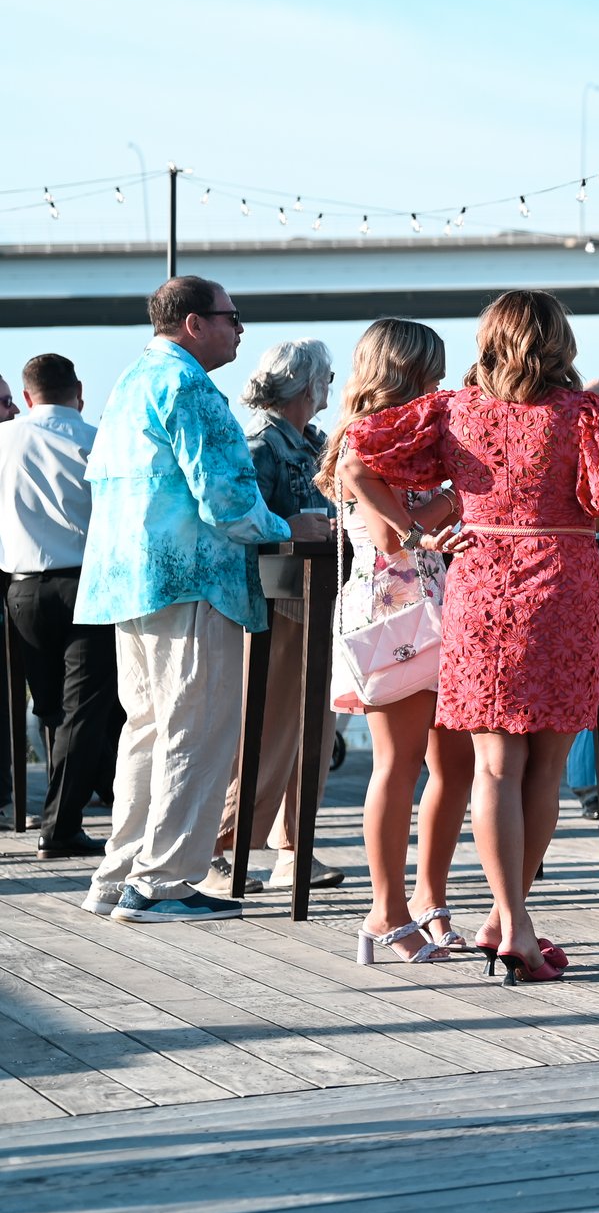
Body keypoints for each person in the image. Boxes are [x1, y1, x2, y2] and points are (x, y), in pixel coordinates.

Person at [341, 290, 599, 983]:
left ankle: (504, 919)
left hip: (481, 586)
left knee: (493, 767)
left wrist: (419, 529)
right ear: (559, 341)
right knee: (544, 768)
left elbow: (358, 454)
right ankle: (511, 920)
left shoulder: (454, 409)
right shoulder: (584, 415)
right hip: (563, 586)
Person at [77, 278, 328, 923]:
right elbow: (222, 497)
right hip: (192, 579)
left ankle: (119, 872)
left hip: (127, 581)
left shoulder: (131, 382)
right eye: (232, 318)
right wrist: (286, 527)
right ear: (194, 323)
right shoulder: (190, 387)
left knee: (147, 730)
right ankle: (162, 883)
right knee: (199, 729)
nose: (240, 330)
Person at [319, 320, 473, 964]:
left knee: (456, 765)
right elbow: (392, 537)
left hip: (439, 605)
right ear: (403, 370)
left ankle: (429, 901)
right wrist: (460, 497)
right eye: (430, 369)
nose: (439, 380)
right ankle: (386, 909)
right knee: (399, 762)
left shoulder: (413, 437)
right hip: (392, 610)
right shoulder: (364, 440)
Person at [213, 337, 343, 895]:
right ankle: (222, 847)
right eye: (327, 379)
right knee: (265, 731)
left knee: (315, 726)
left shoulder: (314, 442)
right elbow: (241, 525)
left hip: (315, 597)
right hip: (277, 600)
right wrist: (295, 524)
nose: (331, 390)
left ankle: (295, 847)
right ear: (306, 384)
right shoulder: (261, 444)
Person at [1, 354, 120, 858]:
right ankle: (61, 826)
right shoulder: (99, 441)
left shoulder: (3, 440)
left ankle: (57, 815)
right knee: (84, 711)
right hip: (85, 585)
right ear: (79, 392)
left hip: (21, 589)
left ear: (27, 397)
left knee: (48, 708)